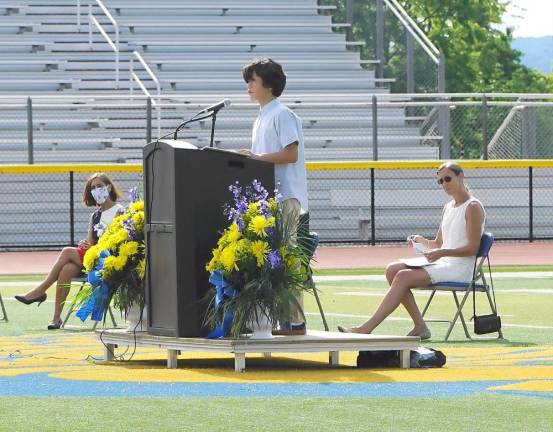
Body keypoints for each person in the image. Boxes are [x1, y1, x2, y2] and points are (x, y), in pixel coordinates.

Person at [338, 161, 486, 340]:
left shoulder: (473, 207)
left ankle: (366, 328)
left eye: (448, 179)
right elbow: (438, 243)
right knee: (392, 269)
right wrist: (423, 241)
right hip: (443, 262)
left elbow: (473, 248)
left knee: (402, 277)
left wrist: (442, 253)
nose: (445, 184)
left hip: (460, 268)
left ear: (461, 176)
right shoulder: (448, 207)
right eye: (440, 181)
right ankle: (420, 326)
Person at [238, 58, 309, 335]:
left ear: (267, 83)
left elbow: (291, 154)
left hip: (285, 196)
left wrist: (256, 158)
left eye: (252, 80)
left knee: (285, 257)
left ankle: (296, 321)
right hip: (268, 198)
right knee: (272, 257)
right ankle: (278, 319)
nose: (248, 86)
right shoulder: (262, 116)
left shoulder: (282, 114)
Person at [15, 173, 123, 329]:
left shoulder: (120, 211)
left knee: (67, 251)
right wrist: (86, 244)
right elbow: (91, 243)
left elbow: (120, 241)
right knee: (66, 269)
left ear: (109, 187)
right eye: (92, 188)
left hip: (108, 261)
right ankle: (56, 318)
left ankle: (41, 290)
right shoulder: (95, 216)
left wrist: (94, 248)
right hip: (92, 259)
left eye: (99, 186)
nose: (96, 190)